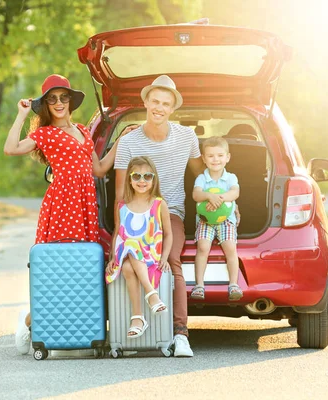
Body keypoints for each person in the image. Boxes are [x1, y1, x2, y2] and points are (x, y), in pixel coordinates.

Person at [3, 74, 127, 355]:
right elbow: (10, 148)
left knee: (81, 269)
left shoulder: (83, 130)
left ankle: (78, 329)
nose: (59, 103)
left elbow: (98, 169)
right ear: (46, 105)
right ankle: (30, 323)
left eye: (63, 97)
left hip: (85, 205)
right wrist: (21, 115)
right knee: (56, 269)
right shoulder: (44, 134)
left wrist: (120, 141)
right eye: (52, 99)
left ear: (71, 101)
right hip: (62, 204)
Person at [113, 75, 205, 357]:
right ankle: (133, 322)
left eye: (166, 103)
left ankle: (180, 334)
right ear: (146, 102)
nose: (159, 107)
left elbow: (202, 175)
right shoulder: (128, 142)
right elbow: (119, 196)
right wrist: (119, 233)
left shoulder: (187, 137)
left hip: (170, 213)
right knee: (128, 259)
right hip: (134, 215)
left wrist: (225, 198)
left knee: (171, 261)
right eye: (155, 101)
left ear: (173, 108)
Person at [105, 156, 172, 338]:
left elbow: (168, 234)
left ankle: (139, 314)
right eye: (136, 176)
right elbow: (118, 233)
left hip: (151, 253)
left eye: (147, 176)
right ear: (129, 179)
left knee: (130, 259)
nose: (142, 181)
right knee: (128, 258)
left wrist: (165, 258)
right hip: (127, 252)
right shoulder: (122, 206)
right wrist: (112, 257)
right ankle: (148, 301)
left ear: (153, 179)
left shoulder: (159, 204)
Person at [190, 137, 242, 301]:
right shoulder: (201, 178)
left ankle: (234, 284)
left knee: (230, 247)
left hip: (226, 220)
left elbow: (235, 193)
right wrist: (208, 196)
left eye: (220, 155)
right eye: (211, 156)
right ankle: (199, 286)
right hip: (205, 220)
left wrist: (219, 198)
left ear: (228, 157)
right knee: (203, 247)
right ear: (204, 159)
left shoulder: (231, 177)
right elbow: (196, 195)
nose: (216, 160)